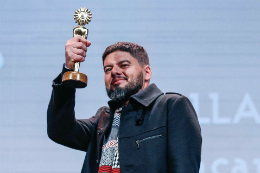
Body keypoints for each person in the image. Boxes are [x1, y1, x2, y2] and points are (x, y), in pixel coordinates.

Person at [47, 36, 202, 173]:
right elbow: (60, 130)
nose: (114, 72)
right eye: (107, 69)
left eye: (124, 65)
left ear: (147, 72)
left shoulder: (171, 106)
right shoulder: (103, 119)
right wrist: (69, 69)